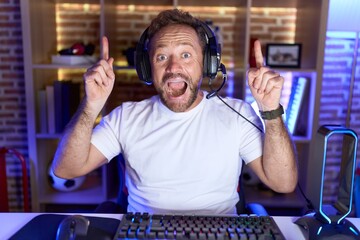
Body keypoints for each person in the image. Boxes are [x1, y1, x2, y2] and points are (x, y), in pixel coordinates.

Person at [52, 9, 298, 215]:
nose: (173, 67)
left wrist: (271, 110)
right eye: (161, 57)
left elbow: (283, 183)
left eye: (186, 55)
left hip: (220, 230)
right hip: (145, 231)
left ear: (208, 64)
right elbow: (66, 169)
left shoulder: (237, 114)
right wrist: (91, 104)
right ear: (148, 69)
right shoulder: (125, 117)